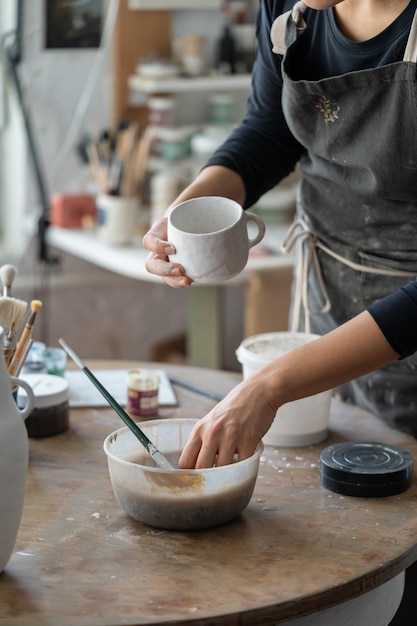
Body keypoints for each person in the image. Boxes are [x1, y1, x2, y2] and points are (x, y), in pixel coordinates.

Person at [143, 0, 417, 470]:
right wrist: (189, 209)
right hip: (330, 295)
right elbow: (271, 129)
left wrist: (270, 386)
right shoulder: (291, 10)